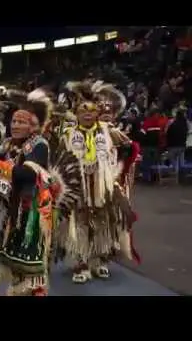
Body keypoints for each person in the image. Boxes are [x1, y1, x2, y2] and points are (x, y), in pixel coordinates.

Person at [0, 88, 82, 296]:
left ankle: (35, 291)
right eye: (13, 122)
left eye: (21, 122)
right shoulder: (7, 145)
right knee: (13, 257)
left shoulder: (39, 145)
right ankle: (19, 288)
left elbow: (28, 175)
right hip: (11, 208)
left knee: (31, 262)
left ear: (32, 127)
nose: (16, 125)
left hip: (33, 212)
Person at [55, 80, 140, 284]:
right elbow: (59, 158)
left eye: (91, 110)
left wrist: (119, 168)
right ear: (75, 112)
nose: (87, 114)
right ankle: (81, 262)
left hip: (103, 185)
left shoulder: (107, 130)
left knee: (102, 220)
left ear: (97, 112)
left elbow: (130, 147)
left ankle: (99, 260)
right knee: (80, 222)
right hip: (78, 185)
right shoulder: (67, 134)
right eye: (82, 110)